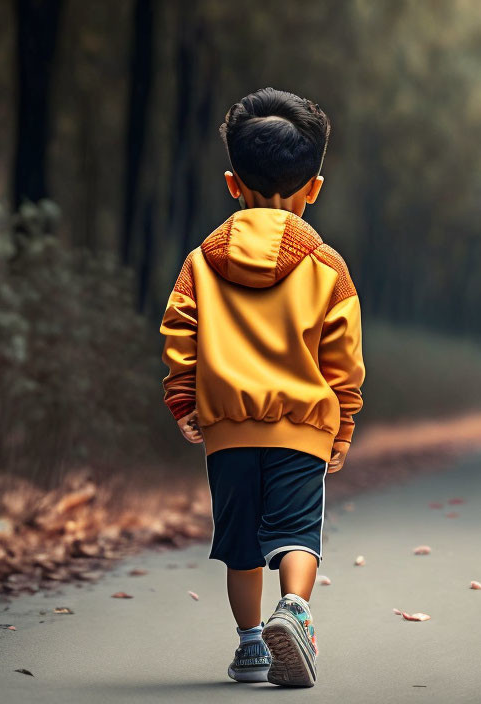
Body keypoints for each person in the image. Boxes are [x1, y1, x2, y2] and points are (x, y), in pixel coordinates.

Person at [159, 88, 365, 688]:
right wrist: (342, 425)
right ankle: (295, 611)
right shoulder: (327, 266)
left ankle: (251, 645)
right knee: (297, 533)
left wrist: (183, 398)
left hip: (227, 432)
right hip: (302, 427)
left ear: (232, 183)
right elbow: (343, 359)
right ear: (313, 188)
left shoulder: (202, 261)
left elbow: (179, 331)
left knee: (242, 544)